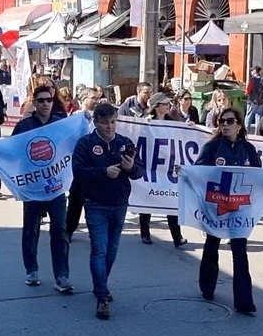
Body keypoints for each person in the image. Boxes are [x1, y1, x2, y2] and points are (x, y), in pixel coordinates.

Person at [73, 103, 144, 320]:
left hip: (119, 203)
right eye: (105, 123)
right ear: (96, 122)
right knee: (99, 250)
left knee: (112, 251)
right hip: (96, 204)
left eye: (113, 122)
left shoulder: (125, 143)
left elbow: (138, 171)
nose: (110, 127)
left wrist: (131, 167)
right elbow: (78, 172)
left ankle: (100, 285)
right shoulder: (85, 143)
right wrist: (103, 172)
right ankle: (102, 296)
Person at [191, 107, 260, 314]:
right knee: (212, 246)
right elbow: (199, 171)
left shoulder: (248, 149)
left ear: (239, 124)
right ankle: (207, 287)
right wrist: (185, 173)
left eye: (230, 121)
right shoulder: (212, 147)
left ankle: (244, 301)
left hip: (239, 207)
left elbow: (258, 176)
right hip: (216, 205)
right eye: (222, 121)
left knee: (240, 251)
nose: (225, 125)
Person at [11, 86, 73, 292]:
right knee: (31, 229)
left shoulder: (59, 124)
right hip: (33, 188)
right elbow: (12, 151)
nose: (46, 103)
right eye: (41, 100)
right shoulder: (24, 126)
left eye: (49, 100)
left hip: (55, 188)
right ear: (34, 103)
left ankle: (61, 276)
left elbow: (73, 144)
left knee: (60, 230)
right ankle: (31, 270)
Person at [139, 92, 188, 247]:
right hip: (150, 166)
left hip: (167, 167)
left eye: (168, 104)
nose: (167, 106)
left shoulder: (171, 122)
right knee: (147, 199)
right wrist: (143, 124)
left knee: (170, 200)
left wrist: (189, 127)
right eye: (164, 104)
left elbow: (182, 135)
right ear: (156, 106)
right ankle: (145, 233)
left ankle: (177, 237)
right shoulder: (146, 121)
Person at [65, 86, 100, 240]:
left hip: (96, 166)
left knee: (94, 204)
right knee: (75, 202)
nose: (96, 101)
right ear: (83, 100)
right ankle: (68, 230)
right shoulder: (74, 118)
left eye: (97, 98)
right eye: (93, 98)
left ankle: (95, 233)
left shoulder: (100, 117)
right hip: (79, 167)